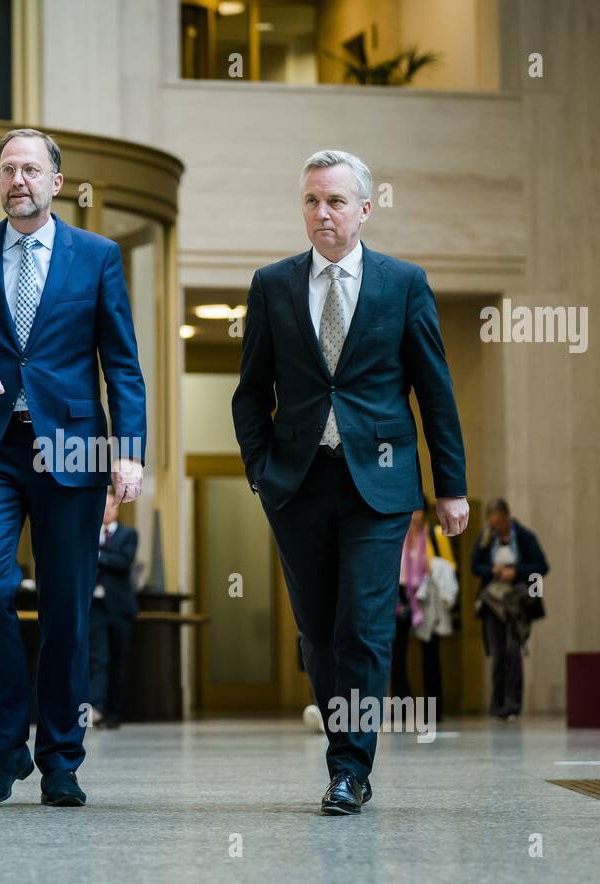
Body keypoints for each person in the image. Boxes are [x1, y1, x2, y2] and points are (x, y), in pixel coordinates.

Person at [232, 150, 469, 815]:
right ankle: (344, 745)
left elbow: (435, 391)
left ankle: (349, 767)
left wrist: (450, 486)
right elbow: (249, 394)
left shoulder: (403, 283)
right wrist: (260, 471)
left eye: (335, 201)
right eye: (311, 200)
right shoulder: (273, 285)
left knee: (363, 624)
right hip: (298, 485)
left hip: (381, 485)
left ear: (365, 209)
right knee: (319, 633)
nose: (321, 213)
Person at [0, 127, 146, 807]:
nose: (17, 179)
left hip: (73, 451)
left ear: (55, 181)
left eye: (30, 169)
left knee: (66, 608)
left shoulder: (98, 256)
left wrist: (129, 451)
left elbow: (124, 364)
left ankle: (60, 759)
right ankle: (4, 750)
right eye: (7, 168)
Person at [470, 497, 548, 721]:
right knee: (497, 654)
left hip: (517, 604)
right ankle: (497, 706)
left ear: (507, 518)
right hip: (493, 603)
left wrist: (516, 572)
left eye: (499, 523)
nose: (496, 527)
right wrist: (492, 569)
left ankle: (513, 705)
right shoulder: (486, 539)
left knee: (513, 652)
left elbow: (541, 566)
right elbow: (475, 566)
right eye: (492, 523)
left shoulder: (524, 537)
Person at [392, 496, 457, 719]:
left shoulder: (435, 535)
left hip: (426, 594)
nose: (415, 516)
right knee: (396, 653)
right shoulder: (397, 535)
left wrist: (432, 565)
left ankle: (433, 710)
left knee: (431, 653)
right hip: (400, 594)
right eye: (412, 512)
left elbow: (450, 565)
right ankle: (401, 707)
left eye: (419, 512)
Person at [89, 485, 138, 729]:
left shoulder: (128, 535)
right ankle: (96, 708)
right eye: (103, 507)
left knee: (119, 659)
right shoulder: (88, 534)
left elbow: (123, 561)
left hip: (120, 608)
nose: (106, 511)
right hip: (95, 606)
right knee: (99, 658)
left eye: (111, 506)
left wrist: (97, 556)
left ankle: (114, 713)